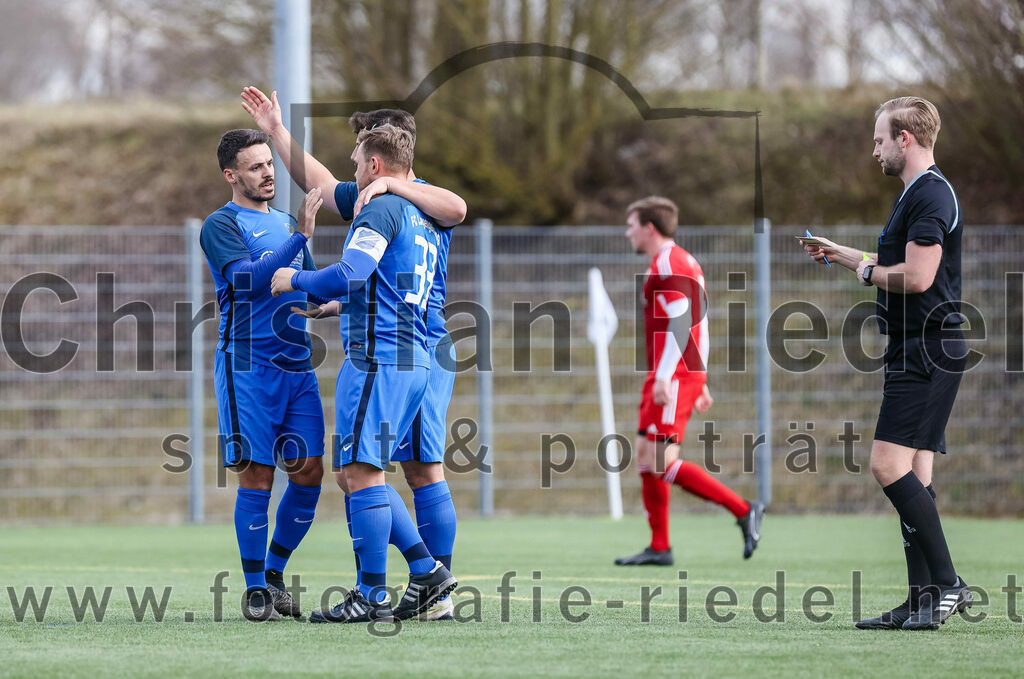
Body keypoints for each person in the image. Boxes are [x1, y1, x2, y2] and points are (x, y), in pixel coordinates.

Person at [241, 88, 463, 621]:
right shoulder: (417, 205)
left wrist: (295, 279)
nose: (349, 165)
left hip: (383, 355)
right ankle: (434, 584)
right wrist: (276, 130)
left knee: (362, 472)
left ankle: (378, 593)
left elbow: (355, 271)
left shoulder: (382, 205)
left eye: (357, 157)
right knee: (412, 469)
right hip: (421, 349)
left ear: (377, 159)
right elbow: (389, 275)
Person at [803, 96, 972, 631]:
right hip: (917, 347)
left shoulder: (932, 196)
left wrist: (863, 274)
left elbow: (918, 278)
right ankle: (922, 601)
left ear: (905, 139)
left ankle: (947, 585)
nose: (873, 149)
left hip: (927, 347)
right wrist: (843, 254)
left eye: (879, 139)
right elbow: (897, 263)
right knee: (916, 472)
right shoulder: (917, 194)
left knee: (886, 464)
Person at [199, 129, 327, 622]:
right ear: (232, 175)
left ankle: (274, 573)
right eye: (255, 166)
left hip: (297, 367)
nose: (268, 172)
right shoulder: (220, 224)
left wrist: (344, 300)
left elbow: (309, 290)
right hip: (247, 369)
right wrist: (300, 236)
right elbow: (248, 279)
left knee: (311, 472)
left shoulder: (288, 223)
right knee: (257, 476)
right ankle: (255, 591)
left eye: (269, 163)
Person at [615, 196, 765, 566]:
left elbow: (683, 322)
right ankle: (660, 546)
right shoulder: (677, 260)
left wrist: (674, 375)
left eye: (632, 224)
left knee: (664, 461)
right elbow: (699, 321)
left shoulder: (668, 262)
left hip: (674, 374)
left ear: (650, 227)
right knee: (647, 457)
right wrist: (700, 375)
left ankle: (744, 509)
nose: (627, 231)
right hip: (676, 372)